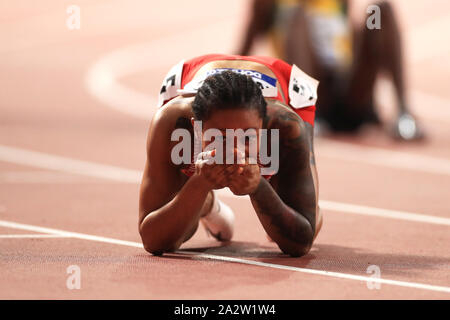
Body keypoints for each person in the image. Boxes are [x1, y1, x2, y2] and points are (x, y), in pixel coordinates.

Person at [139, 54, 321, 257]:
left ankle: (206, 201)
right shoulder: (170, 121)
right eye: (220, 137)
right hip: (191, 76)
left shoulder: (286, 124)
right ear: (196, 128)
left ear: (264, 126)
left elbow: (301, 242)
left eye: (247, 137)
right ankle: (207, 204)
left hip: (284, 81)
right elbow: (153, 240)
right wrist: (198, 185)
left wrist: (259, 187)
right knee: (179, 228)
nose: (235, 150)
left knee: (306, 215)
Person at [238, 0, 424, 140]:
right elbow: (244, 50)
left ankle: (403, 114)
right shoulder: (271, 3)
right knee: (297, 16)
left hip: (350, 87)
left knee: (379, 12)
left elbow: (350, 34)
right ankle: (306, 115)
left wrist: (369, 41)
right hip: (314, 95)